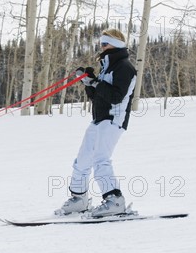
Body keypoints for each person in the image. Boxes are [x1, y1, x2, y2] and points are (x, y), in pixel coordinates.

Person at [57, 28, 137, 217]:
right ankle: (79, 199)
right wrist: (88, 82)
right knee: (82, 160)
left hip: (113, 119)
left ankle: (115, 200)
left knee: (101, 160)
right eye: (100, 43)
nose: (101, 47)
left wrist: (96, 83)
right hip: (99, 119)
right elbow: (98, 96)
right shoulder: (107, 66)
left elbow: (116, 97)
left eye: (104, 43)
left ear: (115, 44)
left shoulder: (124, 67)